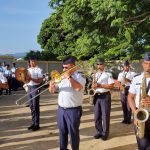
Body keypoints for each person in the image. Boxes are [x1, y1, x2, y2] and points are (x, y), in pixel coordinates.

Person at [49, 56, 86, 150]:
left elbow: (78, 88)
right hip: (61, 110)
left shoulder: (80, 76)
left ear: (73, 66)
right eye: (63, 67)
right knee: (62, 132)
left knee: (73, 133)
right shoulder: (61, 77)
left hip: (73, 110)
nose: (64, 69)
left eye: (66, 67)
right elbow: (52, 91)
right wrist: (51, 85)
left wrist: (69, 77)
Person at [128, 52, 150, 150]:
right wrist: (135, 113)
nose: (148, 66)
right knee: (142, 144)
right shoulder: (137, 79)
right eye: (146, 63)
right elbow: (130, 97)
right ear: (142, 64)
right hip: (140, 114)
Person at [92, 58, 114, 141]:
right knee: (97, 116)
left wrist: (100, 85)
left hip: (105, 96)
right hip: (96, 96)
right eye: (97, 64)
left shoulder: (108, 74)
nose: (99, 66)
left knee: (105, 115)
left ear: (104, 65)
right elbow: (93, 85)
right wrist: (93, 87)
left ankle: (105, 133)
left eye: (100, 64)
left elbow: (111, 86)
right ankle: (99, 131)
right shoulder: (95, 74)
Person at [26, 56, 43, 131]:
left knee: (35, 106)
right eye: (31, 61)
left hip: (35, 87)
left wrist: (31, 78)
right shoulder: (28, 70)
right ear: (29, 62)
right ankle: (33, 123)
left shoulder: (39, 70)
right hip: (29, 87)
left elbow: (39, 81)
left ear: (36, 61)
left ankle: (37, 124)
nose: (32, 62)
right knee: (31, 106)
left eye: (33, 61)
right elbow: (25, 79)